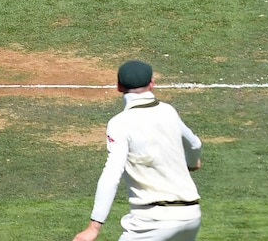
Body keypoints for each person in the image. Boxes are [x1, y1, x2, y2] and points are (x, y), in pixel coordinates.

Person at [72, 60, 202, 241]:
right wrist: (192, 162)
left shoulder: (119, 124)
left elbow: (111, 174)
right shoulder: (169, 111)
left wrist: (93, 227)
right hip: (190, 216)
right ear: (152, 83)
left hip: (152, 222)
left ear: (118, 87)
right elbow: (195, 144)